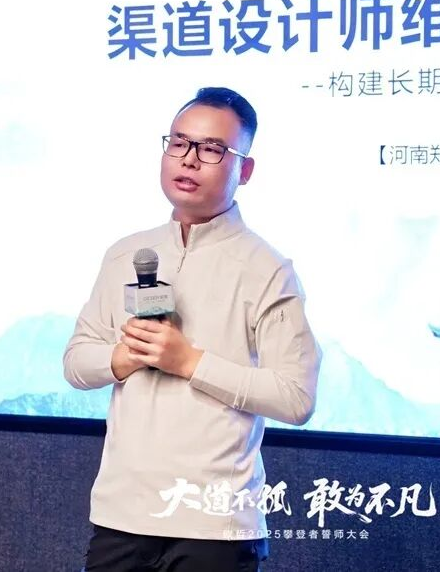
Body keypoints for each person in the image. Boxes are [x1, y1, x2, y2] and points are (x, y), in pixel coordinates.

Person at [63, 87, 322, 572]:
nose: (189, 159)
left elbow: (296, 397)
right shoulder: (125, 253)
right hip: (122, 516)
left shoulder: (268, 268)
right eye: (179, 143)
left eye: (212, 149)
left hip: (216, 526)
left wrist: (189, 362)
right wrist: (124, 357)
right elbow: (76, 362)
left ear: (245, 170)